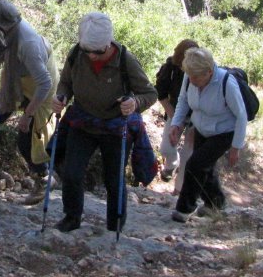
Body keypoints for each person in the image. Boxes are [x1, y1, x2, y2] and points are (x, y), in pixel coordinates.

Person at [51, 12, 157, 233]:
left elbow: (150, 93)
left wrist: (135, 103)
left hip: (116, 126)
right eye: (87, 51)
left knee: (114, 179)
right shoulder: (76, 54)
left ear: (108, 44)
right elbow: (66, 83)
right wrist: (61, 97)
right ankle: (71, 217)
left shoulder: (125, 60)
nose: (92, 57)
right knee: (71, 172)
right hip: (83, 121)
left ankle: (114, 226)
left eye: (97, 52)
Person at [167, 48, 248, 222]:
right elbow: (183, 101)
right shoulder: (190, 77)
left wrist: (236, 147)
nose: (192, 80)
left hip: (224, 132)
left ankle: (184, 209)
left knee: (195, 165)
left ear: (209, 72)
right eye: (190, 76)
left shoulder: (227, 83)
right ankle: (216, 203)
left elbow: (241, 115)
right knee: (206, 168)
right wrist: (176, 124)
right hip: (201, 128)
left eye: (196, 77)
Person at [0, 0, 58, 206]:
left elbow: (45, 83)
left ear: (4, 24)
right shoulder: (9, 33)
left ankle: (44, 179)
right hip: (19, 83)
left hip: (41, 90)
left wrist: (27, 116)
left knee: (27, 141)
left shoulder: (27, 43)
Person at [154, 39, 198, 192]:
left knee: (188, 155)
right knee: (166, 148)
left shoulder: (202, 68)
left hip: (197, 117)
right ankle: (171, 164)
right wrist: (174, 119)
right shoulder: (170, 68)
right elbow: (161, 93)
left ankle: (179, 191)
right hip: (176, 111)